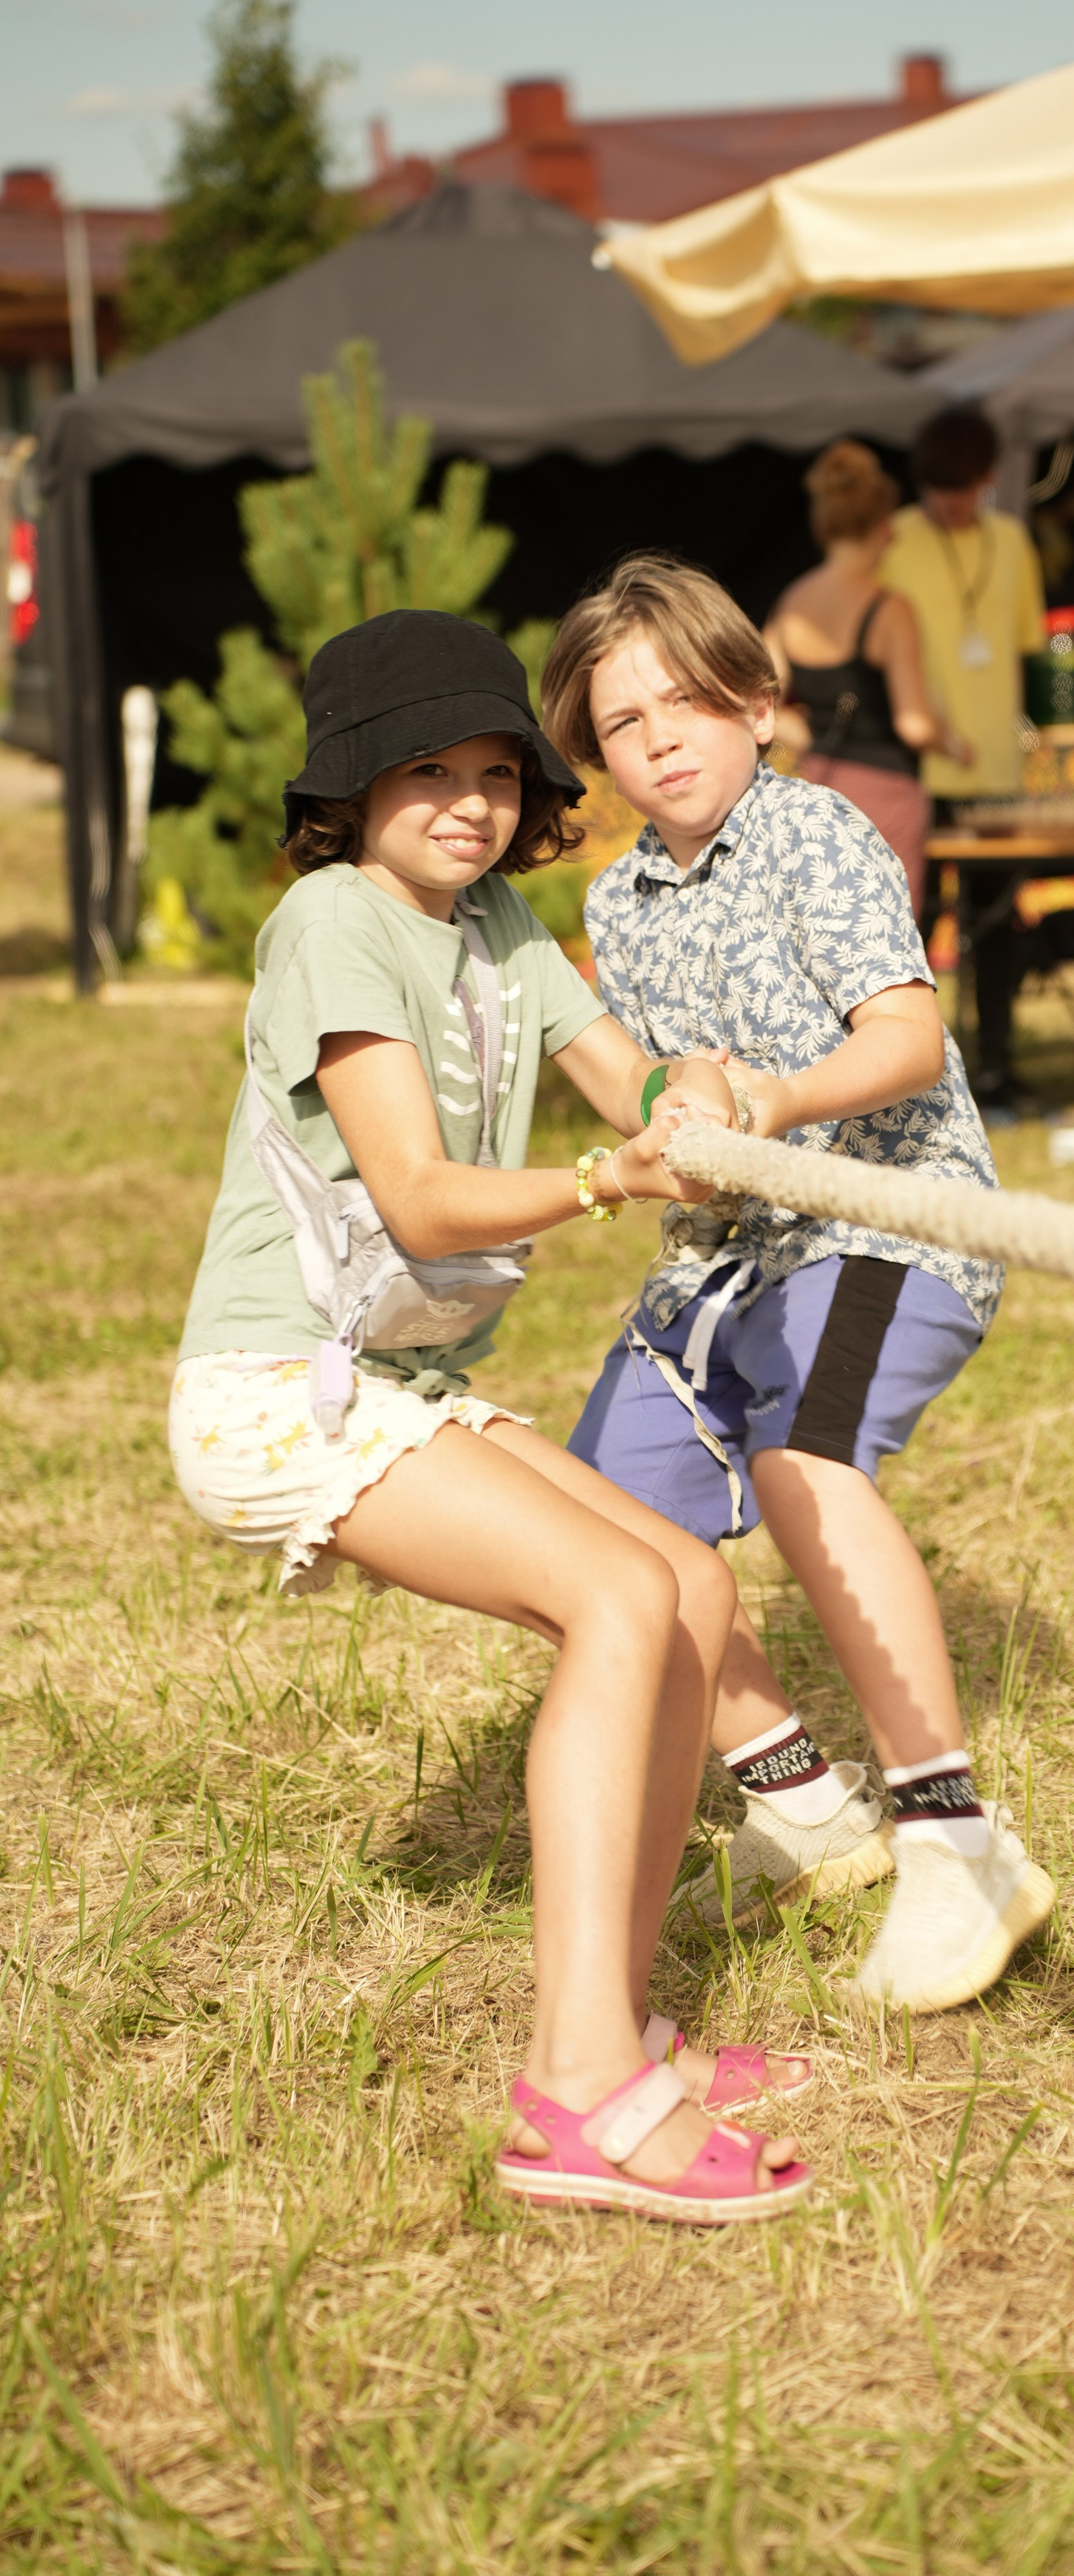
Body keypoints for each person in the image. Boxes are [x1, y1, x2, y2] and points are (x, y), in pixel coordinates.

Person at [167, 609, 812, 2224]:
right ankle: (576, 2095)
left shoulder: (501, 924)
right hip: (278, 1392)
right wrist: (610, 1177)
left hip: (404, 1380)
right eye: (426, 772)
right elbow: (422, 1197)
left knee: (690, 1589)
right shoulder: (332, 921)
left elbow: (627, 1081)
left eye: (496, 773)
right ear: (351, 790)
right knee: (616, 1599)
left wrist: (692, 1095)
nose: (469, 804)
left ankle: (621, 2025)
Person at [541, 554, 1057, 2018]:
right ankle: (800, 1800)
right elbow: (670, 1080)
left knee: (802, 1465)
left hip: (884, 1225)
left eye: (687, 703)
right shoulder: (623, 898)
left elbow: (904, 1037)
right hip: (725, 1258)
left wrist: (772, 1103)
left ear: (759, 704)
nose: (659, 740)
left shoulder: (816, 835)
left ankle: (957, 1841)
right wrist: (679, 1121)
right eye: (622, 722)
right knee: (591, 1527)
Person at [880, 405, 1047, 1114]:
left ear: (989, 479)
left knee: (998, 925)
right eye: (937, 491)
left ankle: (998, 1067)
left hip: (994, 769)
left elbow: (1028, 644)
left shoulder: (1012, 542)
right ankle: (898, 1081)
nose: (950, 505)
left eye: (963, 489)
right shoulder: (893, 540)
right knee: (906, 927)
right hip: (916, 769)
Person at [765, 439, 971, 915]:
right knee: (887, 939)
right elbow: (914, 725)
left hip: (818, 791)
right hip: (887, 797)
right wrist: (956, 746)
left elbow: (753, 702)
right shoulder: (890, 608)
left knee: (826, 931)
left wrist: (812, 736)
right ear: (882, 527)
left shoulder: (793, 602)